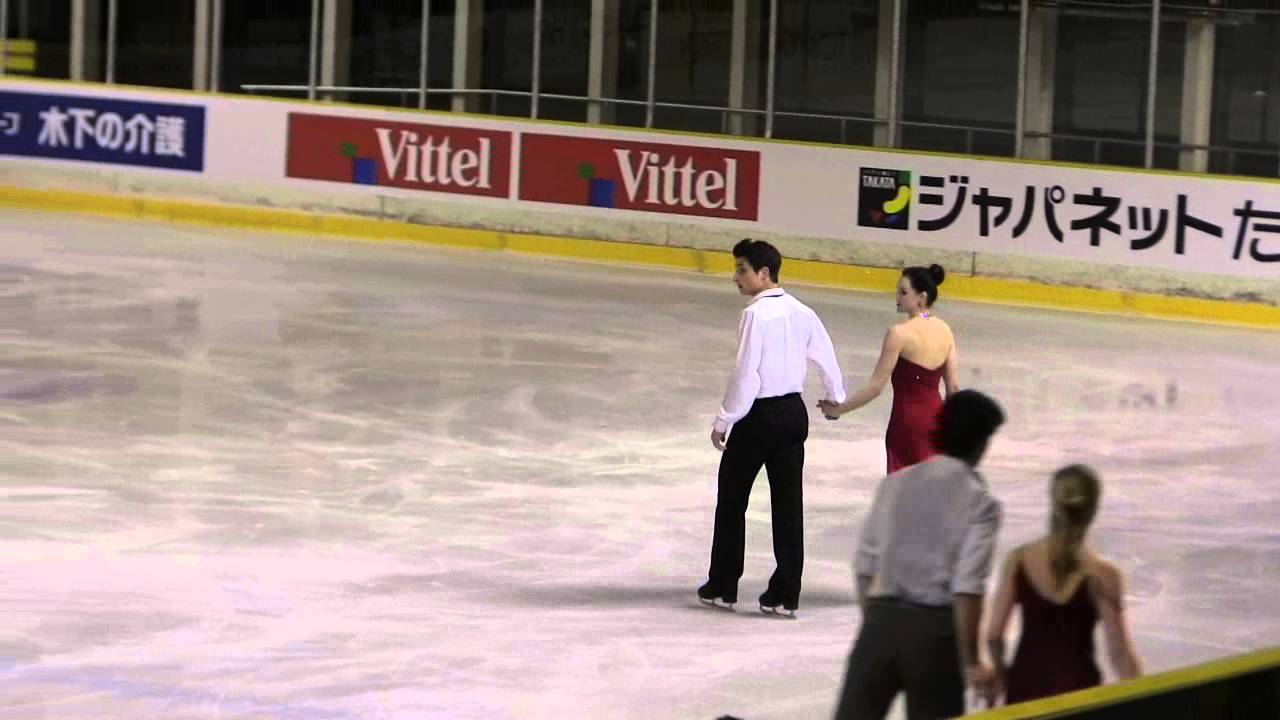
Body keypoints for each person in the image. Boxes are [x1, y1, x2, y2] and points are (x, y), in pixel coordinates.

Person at [833, 390, 1005, 720]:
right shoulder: (981, 504)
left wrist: (876, 625)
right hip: (935, 635)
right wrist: (971, 661)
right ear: (981, 443)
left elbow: (865, 566)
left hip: (879, 623)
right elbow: (968, 588)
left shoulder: (895, 484)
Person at [698, 239, 847, 617]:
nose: (736, 277)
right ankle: (784, 594)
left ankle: (723, 586)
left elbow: (747, 374)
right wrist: (835, 397)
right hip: (792, 414)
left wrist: (724, 418)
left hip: (757, 417)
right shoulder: (802, 311)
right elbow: (826, 357)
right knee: (788, 505)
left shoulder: (755, 315)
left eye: (742, 270)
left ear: (764, 273)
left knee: (732, 500)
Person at [985, 465, 1143, 705]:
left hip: (1025, 688)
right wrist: (1145, 702)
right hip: (1079, 692)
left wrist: (1000, 672)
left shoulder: (1019, 561)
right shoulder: (1103, 575)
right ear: (1093, 510)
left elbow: (994, 634)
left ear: (1054, 503)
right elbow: (1120, 655)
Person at [819, 265, 959, 474]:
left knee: (903, 491)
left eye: (903, 292)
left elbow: (875, 387)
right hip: (937, 423)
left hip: (907, 424)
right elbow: (953, 388)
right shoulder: (945, 330)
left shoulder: (899, 333)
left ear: (921, 297)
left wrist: (838, 410)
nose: (897, 297)